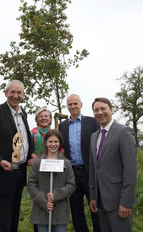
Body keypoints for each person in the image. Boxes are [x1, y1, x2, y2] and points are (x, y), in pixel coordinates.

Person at [0, 80, 33, 232]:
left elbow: (22, 140)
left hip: (19, 172)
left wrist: (30, 154)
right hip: (1, 175)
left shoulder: (23, 113)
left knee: (14, 217)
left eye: (19, 93)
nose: (16, 96)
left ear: (23, 95)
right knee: (2, 220)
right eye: (12, 92)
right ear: (6, 93)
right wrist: (0, 161)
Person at [89, 97, 137, 232]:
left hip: (119, 202)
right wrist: (93, 197)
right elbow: (94, 169)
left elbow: (130, 170)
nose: (100, 112)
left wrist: (126, 202)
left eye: (103, 108)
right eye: (96, 110)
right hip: (100, 202)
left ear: (111, 110)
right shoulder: (94, 136)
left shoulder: (124, 132)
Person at [59, 94, 101, 232]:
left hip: (90, 173)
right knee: (76, 211)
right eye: (70, 104)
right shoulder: (62, 126)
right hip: (71, 174)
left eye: (75, 103)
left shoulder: (92, 122)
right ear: (67, 106)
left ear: (81, 104)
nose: (73, 106)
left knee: (96, 209)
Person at [27, 129, 76, 232]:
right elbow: (31, 184)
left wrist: (56, 194)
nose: (53, 144)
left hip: (60, 212)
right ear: (45, 143)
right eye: (50, 141)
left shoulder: (66, 163)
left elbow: (71, 185)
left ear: (60, 143)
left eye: (56, 141)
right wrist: (44, 202)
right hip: (42, 209)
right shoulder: (38, 163)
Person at [31, 108, 52, 232]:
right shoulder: (32, 132)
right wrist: (31, 155)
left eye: (46, 116)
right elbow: (27, 149)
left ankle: (52, 225)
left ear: (50, 119)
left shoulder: (55, 132)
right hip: (37, 171)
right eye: (41, 116)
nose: (44, 118)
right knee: (38, 199)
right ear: (37, 119)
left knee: (50, 198)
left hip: (52, 170)